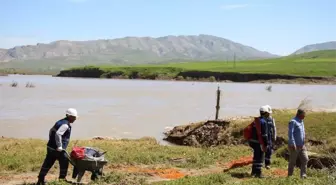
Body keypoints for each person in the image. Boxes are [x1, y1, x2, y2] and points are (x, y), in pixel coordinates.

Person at [36, 108, 78, 185]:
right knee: (64, 161)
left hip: (51, 147)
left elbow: (51, 130)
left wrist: (51, 141)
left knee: (48, 162)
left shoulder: (60, 122)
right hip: (57, 149)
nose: (75, 119)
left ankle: (40, 179)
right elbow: (58, 134)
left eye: (75, 117)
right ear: (69, 116)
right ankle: (62, 179)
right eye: (73, 117)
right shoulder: (65, 125)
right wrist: (59, 146)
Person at [248, 105, 269, 178]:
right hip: (259, 143)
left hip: (253, 142)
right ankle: (258, 173)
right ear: (266, 113)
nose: (269, 114)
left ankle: (253, 172)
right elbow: (264, 135)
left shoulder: (256, 120)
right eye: (268, 113)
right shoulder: (263, 122)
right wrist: (266, 144)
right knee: (260, 158)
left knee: (255, 157)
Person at [288, 109, 308, 179]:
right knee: (293, 162)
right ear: (299, 114)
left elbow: (302, 132)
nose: (304, 116)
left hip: (302, 145)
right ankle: (290, 176)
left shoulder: (301, 121)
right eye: (303, 114)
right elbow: (290, 133)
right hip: (295, 146)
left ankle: (303, 175)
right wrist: (292, 143)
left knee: (305, 159)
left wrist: (304, 139)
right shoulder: (293, 122)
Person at [264, 105, 277, 169]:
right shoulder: (261, 119)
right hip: (263, 136)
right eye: (268, 112)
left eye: (269, 113)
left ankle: (267, 164)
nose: (269, 114)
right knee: (262, 149)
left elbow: (274, 128)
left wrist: (274, 136)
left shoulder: (271, 119)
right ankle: (260, 161)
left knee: (269, 150)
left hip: (269, 137)